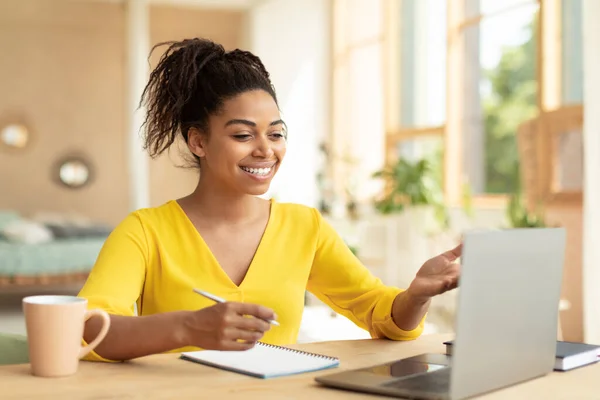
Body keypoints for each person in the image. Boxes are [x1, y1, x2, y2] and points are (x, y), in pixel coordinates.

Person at [78, 38, 461, 362]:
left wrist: (416, 296)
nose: (266, 150)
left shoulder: (303, 227)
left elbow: (378, 311)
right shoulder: (145, 231)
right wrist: (189, 327)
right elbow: (87, 327)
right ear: (198, 142)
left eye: (275, 134)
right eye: (243, 136)